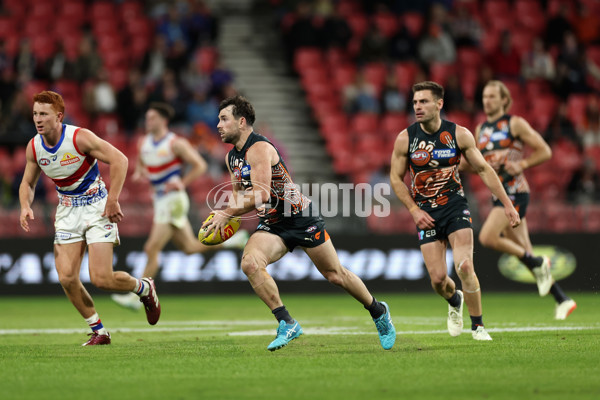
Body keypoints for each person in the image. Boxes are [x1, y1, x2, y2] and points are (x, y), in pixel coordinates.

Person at [202, 95, 395, 351]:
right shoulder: (231, 158)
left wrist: (225, 212)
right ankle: (286, 322)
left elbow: (261, 193)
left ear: (241, 121)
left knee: (335, 275)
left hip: (300, 217)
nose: (218, 124)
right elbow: (240, 194)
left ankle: (378, 311)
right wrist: (230, 219)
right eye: (218, 119)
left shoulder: (259, 147)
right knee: (250, 263)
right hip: (272, 224)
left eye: (224, 119)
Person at [19, 91, 160, 346]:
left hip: (97, 207)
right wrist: (24, 205)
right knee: (66, 278)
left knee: (101, 279)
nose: (37, 119)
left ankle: (144, 288)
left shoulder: (78, 137)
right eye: (35, 114)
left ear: (59, 116)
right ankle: (100, 331)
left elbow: (120, 159)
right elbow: (27, 182)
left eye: (43, 114)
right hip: (66, 212)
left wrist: (113, 199)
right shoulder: (34, 146)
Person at [390, 81, 521, 341]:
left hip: (454, 206)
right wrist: (414, 211)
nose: (418, 106)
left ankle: (478, 326)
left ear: (439, 104)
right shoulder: (406, 138)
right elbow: (395, 178)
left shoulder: (459, 134)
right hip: (425, 213)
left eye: (424, 101)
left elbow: (484, 169)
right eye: (415, 102)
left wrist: (507, 204)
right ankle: (454, 300)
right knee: (439, 280)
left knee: (464, 266)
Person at [111, 102, 248, 310]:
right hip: (160, 200)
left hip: (173, 200)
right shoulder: (143, 142)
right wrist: (140, 172)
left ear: (163, 121)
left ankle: (138, 296)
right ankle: (232, 241)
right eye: (147, 118)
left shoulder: (176, 143)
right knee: (190, 247)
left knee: (151, 248)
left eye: (152, 118)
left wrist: (181, 183)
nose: (148, 121)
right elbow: (142, 164)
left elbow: (200, 165)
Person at [472, 80, 577, 320]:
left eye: (492, 96)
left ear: (504, 100)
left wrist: (523, 163)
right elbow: (479, 165)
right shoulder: (480, 130)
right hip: (498, 193)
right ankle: (563, 299)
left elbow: (545, 150)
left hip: (516, 191)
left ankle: (538, 261)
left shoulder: (514, 123)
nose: (486, 100)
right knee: (525, 253)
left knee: (487, 237)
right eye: (484, 96)